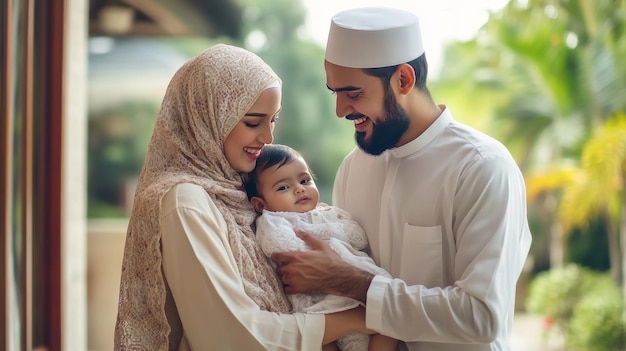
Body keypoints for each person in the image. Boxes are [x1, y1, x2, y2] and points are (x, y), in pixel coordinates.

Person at [271, 7, 533, 351]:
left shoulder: (482, 167)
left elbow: (482, 315)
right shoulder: (353, 168)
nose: (340, 110)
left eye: (353, 93)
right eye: (335, 92)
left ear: (404, 80)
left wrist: (355, 283)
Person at [113, 43, 371, 351]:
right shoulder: (185, 201)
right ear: (206, 117)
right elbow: (233, 336)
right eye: (252, 122)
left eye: (272, 120)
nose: (268, 137)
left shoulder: (237, 190)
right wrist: (360, 317)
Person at [245, 143, 398, 351]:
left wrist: (325, 230)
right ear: (261, 204)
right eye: (283, 187)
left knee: (389, 325)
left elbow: (358, 237)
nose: (299, 189)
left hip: (359, 293)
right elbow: (281, 245)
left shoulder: (328, 212)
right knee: (319, 342)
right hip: (317, 303)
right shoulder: (274, 220)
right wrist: (325, 233)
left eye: (304, 180)